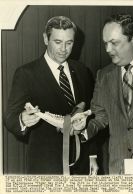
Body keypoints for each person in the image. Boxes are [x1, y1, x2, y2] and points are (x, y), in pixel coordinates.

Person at [72, 14, 133, 174]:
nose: (108, 49)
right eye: (105, 43)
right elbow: (99, 118)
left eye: (114, 43)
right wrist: (83, 126)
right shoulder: (104, 75)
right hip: (119, 167)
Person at [5, 16, 98, 174]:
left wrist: (92, 156)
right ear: (45, 39)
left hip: (81, 164)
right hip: (45, 165)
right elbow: (10, 118)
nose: (64, 49)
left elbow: (91, 115)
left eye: (69, 43)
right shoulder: (26, 73)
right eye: (58, 42)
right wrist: (22, 119)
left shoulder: (82, 71)